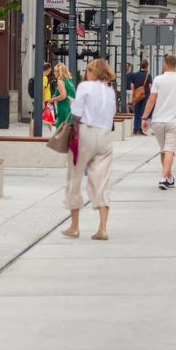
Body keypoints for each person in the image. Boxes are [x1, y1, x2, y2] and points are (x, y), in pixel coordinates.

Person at [62, 58, 117, 240]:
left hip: (85, 133)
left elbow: (77, 114)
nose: (86, 73)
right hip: (105, 136)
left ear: (93, 72)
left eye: (88, 69)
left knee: (75, 177)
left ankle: (75, 226)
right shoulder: (110, 92)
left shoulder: (84, 87)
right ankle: (102, 228)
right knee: (102, 180)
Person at [142, 53, 176, 189]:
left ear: (164, 65)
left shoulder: (158, 80)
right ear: (175, 66)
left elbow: (151, 100)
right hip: (174, 121)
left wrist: (144, 117)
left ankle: (168, 177)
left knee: (163, 150)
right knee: (169, 150)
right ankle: (164, 177)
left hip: (158, 120)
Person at [128, 59, 151, 135]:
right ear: (147, 66)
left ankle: (135, 128)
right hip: (145, 95)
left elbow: (132, 85)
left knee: (136, 111)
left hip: (137, 96)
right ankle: (139, 129)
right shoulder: (148, 75)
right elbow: (150, 86)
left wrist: (135, 92)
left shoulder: (135, 75)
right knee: (142, 112)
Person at [51, 63, 76, 127]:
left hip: (63, 107)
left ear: (59, 72)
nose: (54, 73)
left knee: (61, 127)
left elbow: (63, 95)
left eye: (55, 71)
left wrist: (52, 99)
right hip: (71, 106)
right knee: (69, 126)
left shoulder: (60, 81)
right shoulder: (69, 80)